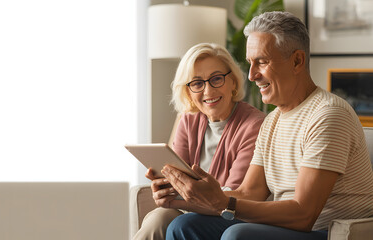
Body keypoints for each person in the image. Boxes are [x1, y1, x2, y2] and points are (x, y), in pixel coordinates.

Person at [159, 11, 373, 240]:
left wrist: (224, 202)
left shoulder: (328, 115)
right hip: (285, 228)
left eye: (261, 62)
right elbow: (250, 192)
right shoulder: (272, 121)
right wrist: (181, 198)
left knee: (238, 235)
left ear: (297, 61)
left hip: (325, 231)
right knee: (184, 225)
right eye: (250, 63)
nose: (251, 75)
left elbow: (304, 214)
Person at [133, 43, 265, 239]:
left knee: (169, 219)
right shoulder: (188, 120)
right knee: (158, 217)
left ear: (234, 82)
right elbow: (176, 178)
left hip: (232, 217)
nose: (208, 91)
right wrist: (165, 188)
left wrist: (175, 199)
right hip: (192, 211)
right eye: (197, 83)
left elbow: (234, 196)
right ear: (188, 91)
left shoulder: (254, 125)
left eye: (217, 79)